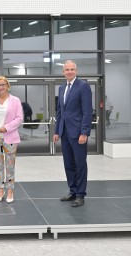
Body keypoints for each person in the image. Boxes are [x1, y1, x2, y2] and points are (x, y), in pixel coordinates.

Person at [53, 60, 93, 208]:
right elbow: (60, 111)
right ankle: (73, 191)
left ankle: (81, 194)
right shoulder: (62, 87)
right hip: (64, 133)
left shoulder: (83, 86)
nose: (69, 72)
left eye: (72, 69)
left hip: (78, 134)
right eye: (67, 70)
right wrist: (57, 130)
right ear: (63, 72)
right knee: (69, 164)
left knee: (80, 164)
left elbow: (87, 112)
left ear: (76, 71)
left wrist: (85, 132)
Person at [0, 76, 23, 203]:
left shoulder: (15, 100)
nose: (0, 87)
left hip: (10, 138)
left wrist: (6, 128)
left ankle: (10, 191)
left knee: (10, 166)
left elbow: (19, 118)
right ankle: (0, 190)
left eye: (3, 84)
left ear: (7, 86)